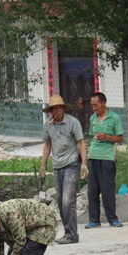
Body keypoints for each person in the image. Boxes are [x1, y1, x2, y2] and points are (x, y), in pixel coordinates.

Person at [40, 95, 88, 244]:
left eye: (59, 107)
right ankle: (68, 233)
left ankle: (72, 235)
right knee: (60, 201)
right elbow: (47, 145)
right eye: (54, 108)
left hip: (71, 165)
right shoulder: (48, 125)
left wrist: (84, 164)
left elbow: (81, 143)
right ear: (51, 111)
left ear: (63, 108)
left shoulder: (73, 122)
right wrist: (43, 164)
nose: (57, 110)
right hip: (57, 167)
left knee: (68, 200)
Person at [85, 92, 124, 228]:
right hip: (93, 156)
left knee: (107, 189)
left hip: (107, 156)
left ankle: (112, 219)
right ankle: (94, 220)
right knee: (92, 190)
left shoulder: (115, 118)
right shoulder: (92, 118)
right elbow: (91, 136)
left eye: (96, 105)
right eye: (92, 105)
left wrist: (107, 137)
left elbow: (119, 138)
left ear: (103, 103)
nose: (94, 108)